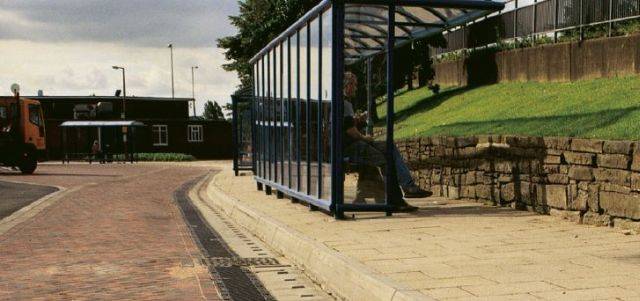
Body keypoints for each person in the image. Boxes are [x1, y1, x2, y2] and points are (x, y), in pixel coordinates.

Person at [343, 72, 432, 211]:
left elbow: (346, 125)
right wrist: (364, 137)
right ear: (347, 86)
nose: (356, 88)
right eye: (354, 85)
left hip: (351, 145)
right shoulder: (344, 103)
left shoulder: (344, 102)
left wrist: (357, 120)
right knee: (385, 158)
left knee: (388, 146)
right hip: (351, 147)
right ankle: (395, 200)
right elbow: (350, 131)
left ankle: (407, 186)